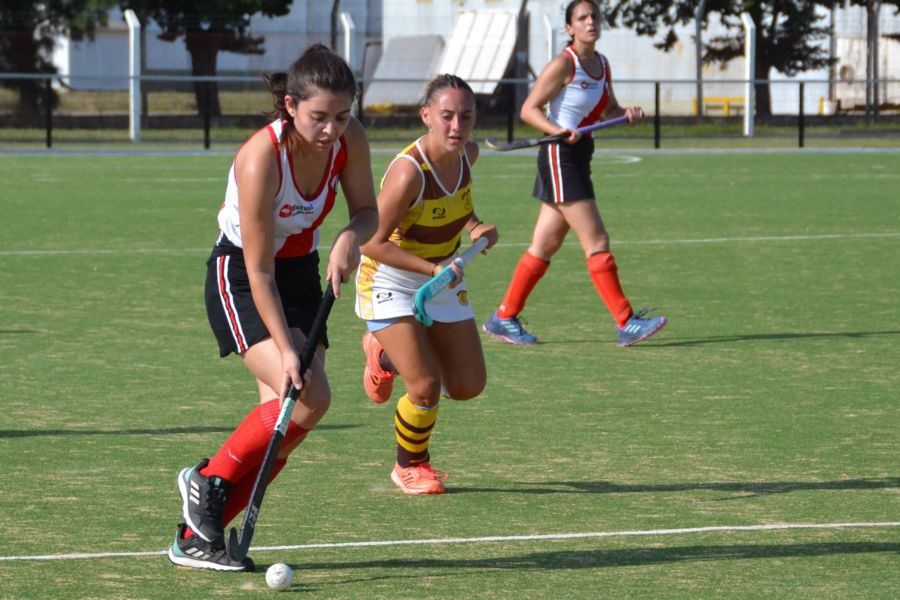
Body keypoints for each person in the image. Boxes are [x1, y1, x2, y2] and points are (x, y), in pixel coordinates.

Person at [167, 44, 378, 572]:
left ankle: (197, 536)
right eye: (319, 117)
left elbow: (369, 212)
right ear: (289, 105)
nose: (332, 128)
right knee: (307, 395)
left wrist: (352, 236)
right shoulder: (261, 157)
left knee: (281, 430)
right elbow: (259, 271)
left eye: (342, 115)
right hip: (242, 275)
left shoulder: (349, 140)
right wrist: (287, 349)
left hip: (302, 273)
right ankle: (207, 480)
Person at [482, 0, 667, 347]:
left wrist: (626, 113)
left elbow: (607, 108)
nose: (590, 22)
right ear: (569, 28)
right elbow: (528, 109)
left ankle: (503, 317)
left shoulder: (602, 64)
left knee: (544, 245)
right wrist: (557, 129)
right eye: (582, 18)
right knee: (596, 240)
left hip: (580, 154)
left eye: (594, 16)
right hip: (559, 154)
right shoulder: (563, 64)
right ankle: (626, 321)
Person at [354, 74, 498, 495]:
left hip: (440, 277)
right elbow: (370, 241)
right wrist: (432, 270)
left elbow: (457, 206)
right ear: (426, 116)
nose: (457, 126)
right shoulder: (409, 174)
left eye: (466, 117)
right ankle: (410, 465)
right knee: (425, 384)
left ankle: (384, 357)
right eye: (447, 116)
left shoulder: (467, 154)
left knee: (468, 385)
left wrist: (476, 227)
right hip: (391, 278)